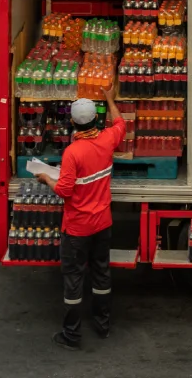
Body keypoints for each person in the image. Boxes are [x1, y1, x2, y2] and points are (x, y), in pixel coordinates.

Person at [34, 87, 124, 350]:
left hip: (77, 228)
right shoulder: (107, 140)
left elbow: (64, 191)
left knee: (73, 280)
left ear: (73, 123)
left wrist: (47, 178)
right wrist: (109, 98)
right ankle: (102, 325)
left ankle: (72, 335)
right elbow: (120, 123)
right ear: (96, 119)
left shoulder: (73, 152)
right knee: (101, 274)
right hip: (102, 223)